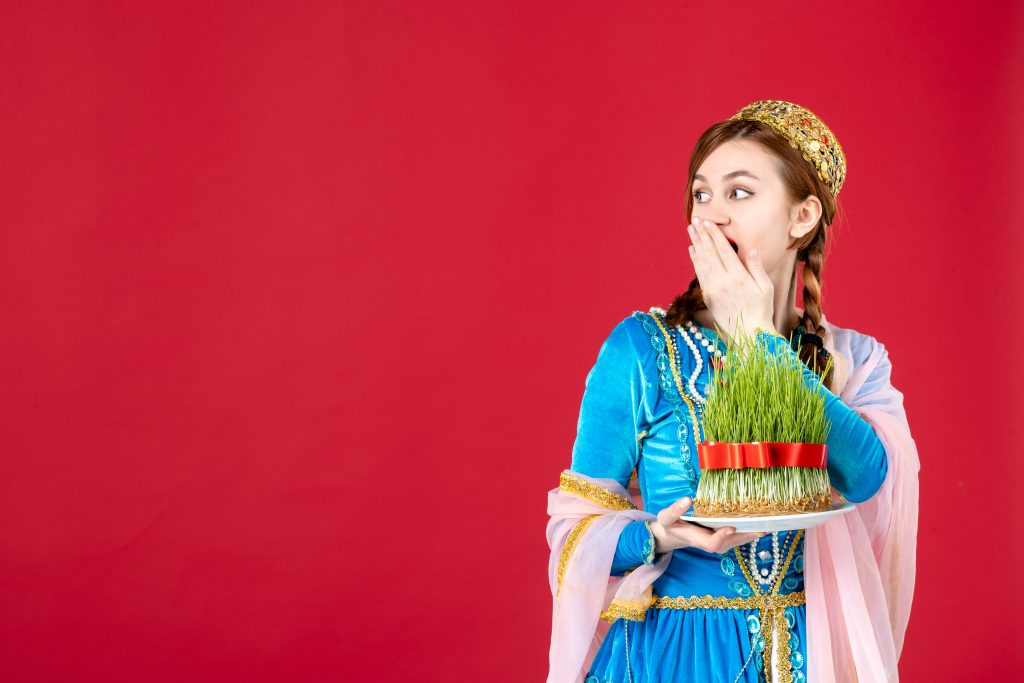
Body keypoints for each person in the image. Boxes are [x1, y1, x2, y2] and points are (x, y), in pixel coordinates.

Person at [545, 100, 920, 683]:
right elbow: (575, 531)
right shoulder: (641, 349)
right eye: (701, 195)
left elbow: (868, 476)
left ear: (802, 217)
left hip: (807, 655)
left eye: (739, 193)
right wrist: (654, 535)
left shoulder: (851, 359)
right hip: (673, 653)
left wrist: (756, 334)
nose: (713, 215)